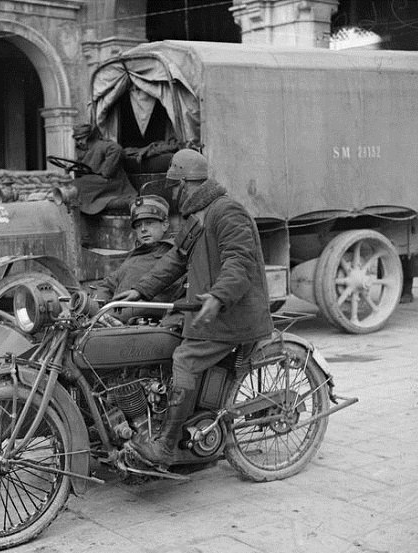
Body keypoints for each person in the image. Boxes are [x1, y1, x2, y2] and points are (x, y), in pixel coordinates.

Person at [114, 149, 273, 467]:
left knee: (184, 360)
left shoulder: (226, 212)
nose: (173, 193)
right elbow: (174, 261)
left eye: (175, 186)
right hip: (206, 315)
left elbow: (239, 262)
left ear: (187, 184)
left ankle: (166, 447)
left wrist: (217, 296)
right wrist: (141, 290)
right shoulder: (194, 218)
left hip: (231, 316)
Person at [92, 195, 184, 321]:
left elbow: (155, 302)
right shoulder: (135, 256)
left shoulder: (173, 257)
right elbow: (107, 284)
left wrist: (110, 316)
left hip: (137, 325)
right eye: (138, 225)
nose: (143, 229)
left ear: (165, 225)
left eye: (149, 223)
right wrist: (96, 306)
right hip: (111, 319)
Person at [72, 123, 136, 215]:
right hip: (97, 182)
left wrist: (106, 171)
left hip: (112, 182)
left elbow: (117, 149)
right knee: (75, 184)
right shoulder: (83, 151)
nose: (79, 142)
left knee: (78, 185)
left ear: (89, 137)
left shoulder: (100, 145)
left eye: (82, 138)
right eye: (77, 139)